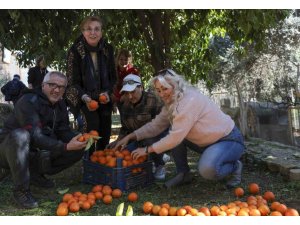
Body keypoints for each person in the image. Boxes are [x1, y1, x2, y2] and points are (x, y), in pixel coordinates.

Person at [115, 69, 245, 189]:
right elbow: (156, 125)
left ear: (175, 85)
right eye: (158, 90)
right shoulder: (172, 102)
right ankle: (184, 174)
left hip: (227, 139)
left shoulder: (189, 100)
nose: (161, 94)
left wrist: (147, 150)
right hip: (207, 143)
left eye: (164, 89)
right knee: (175, 130)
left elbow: (174, 138)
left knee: (207, 170)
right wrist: (130, 136)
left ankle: (235, 166)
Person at [0, 71, 87, 209]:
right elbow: (35, 135)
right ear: (43, 86)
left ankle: (35, 174)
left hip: (35, 150)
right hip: (7, 150)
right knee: (20, 135)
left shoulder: (60, 105)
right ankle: (21, 190)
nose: (57, 89)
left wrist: (79, 140)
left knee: (79, 148)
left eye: (61, 87)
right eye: (52, 85)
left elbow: (63, 130)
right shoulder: (28, 101)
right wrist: (65, 147)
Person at [65, 16, 116, 152]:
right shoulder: (74, 51)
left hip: (104, 98)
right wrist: (85, 97)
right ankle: (89, 162)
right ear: (83, 31)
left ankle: (102, 161)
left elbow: (113, 78)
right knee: (92, 129)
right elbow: (72, 82)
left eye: (96, 29)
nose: (93, 32)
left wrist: (107, 92)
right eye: (89, 29)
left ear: (101, 32)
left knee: (105, 130)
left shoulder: (108, 49)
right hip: (83, 98)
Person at [108, 74, 168, 180]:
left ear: (141, 87)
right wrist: (118, 141)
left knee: (150, 139)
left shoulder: (154, 99)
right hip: (137, 139)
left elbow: (163, 124)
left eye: (133, 92)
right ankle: (153, 157)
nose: (130, 96)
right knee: (124, 153)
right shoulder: (124, 105)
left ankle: (159, 164)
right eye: (127, 93)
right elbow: (125, 128)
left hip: (157, 135)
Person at [112, 49, 139, 113]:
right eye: (121, 59)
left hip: (131, 100)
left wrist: (127, 96)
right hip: (117, 100)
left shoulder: (133, 71)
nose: (123, 62)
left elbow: (138, 87)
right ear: (118, 60)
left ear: (129, 61)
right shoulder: (113, 71)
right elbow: (112, 87)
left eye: (126, 60)